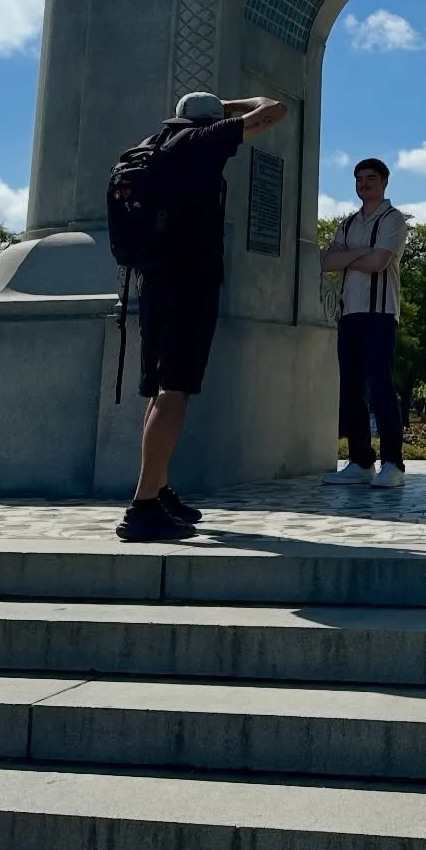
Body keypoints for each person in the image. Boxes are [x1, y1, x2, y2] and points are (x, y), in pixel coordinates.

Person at [116, 90, 286, 543]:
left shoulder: (150, 145)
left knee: (158, 389)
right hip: (189, 279)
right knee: (176, 389)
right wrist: (228, 109)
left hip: (152, 279)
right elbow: (274, 109)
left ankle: (158, 487)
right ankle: (143, 506)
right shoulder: (200, 141)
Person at [320, 156, 410, 489]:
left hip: (380, 314)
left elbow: (380, 262)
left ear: (384, 181)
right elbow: (326, 261)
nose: (363, 184)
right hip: (350, 313)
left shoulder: (393, 219)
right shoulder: (348, 223)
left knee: (382, 388)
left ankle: (393, 463)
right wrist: (362, 252)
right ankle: (360, 460)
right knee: (351, 389)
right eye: (358, 179)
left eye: (370, 178)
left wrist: (350, 255)